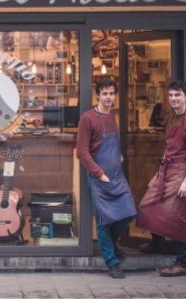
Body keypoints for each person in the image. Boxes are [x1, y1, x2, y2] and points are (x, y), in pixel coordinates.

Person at [136, 80, 186, 277]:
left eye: (178, 95)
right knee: (148, 206)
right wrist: (157, 174)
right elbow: (168, 148)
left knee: (180, 217)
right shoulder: (170, 118)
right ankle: (158, 243)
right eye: (171, 95)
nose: (174, 99)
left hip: (183, 171)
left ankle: (182, 262)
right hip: (167, 169)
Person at [77, 78, 137, 279]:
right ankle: (112, 263)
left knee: (129, 212)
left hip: (117, 176)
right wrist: (99, 173)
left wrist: (118, 155)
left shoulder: (112, 116)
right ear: (98, 95)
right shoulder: (87, 118)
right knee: (103, 223)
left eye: (112, 93)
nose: (108, 97)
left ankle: (111, 242)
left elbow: (112, 142)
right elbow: (82, 152)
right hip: (99, 179)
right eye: (105, 93)